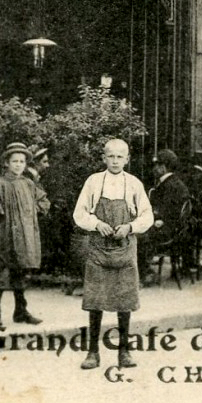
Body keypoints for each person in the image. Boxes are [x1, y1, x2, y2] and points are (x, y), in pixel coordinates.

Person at [72, 138, 153, 370]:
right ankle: (92, 352)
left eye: (120, 156)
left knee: (124, 300)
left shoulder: (135, 184)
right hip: (98, 249)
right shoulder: (94, 182)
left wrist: (130, 227)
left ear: (127, 159)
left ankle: (124, 352)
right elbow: (80, 214)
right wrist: (96, 223)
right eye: (111, 156)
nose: (115, 161)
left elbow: (146, 216)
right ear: (103, 158)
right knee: (95, 300)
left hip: (125, 249)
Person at [0, 142, 50, 329]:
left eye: (22, 161)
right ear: (7, 163)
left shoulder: (28, 184)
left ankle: (20, 311)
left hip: (24, 235)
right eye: (14, 161)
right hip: (6, 234)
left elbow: (43, 200)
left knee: (20, 272)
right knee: (0, 273)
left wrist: (35, 211)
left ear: (26, 164)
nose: (18, 165)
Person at [140, 148, 190, 284]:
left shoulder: (170, 186)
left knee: (138, 235)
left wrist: (153, 218)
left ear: (163, 167)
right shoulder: (174, 183)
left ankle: (145, 273)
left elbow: (166, 211)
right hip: (174, 229)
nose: (154, 169)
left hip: (168, 230)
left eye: (156, 165)